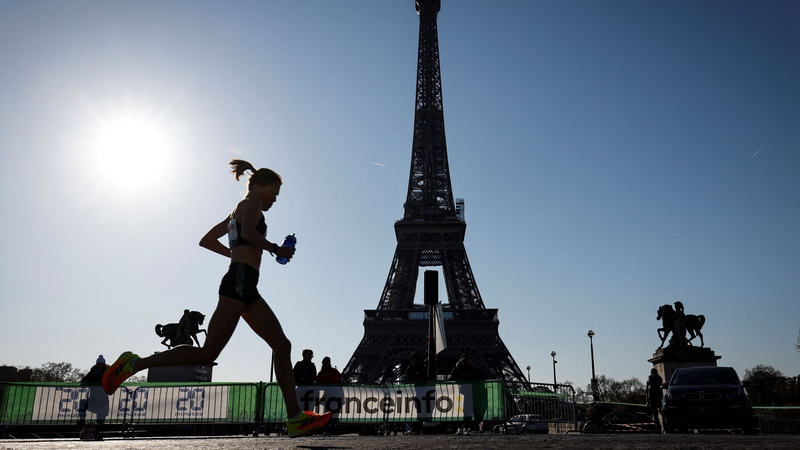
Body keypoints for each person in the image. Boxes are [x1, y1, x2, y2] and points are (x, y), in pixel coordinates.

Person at [101, 159, 331, 437]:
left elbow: (207, 240)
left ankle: (295, 417)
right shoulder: (252, 205)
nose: (274, 199)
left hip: (244, 283)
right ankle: (133, 363)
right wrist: (274, 249)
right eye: (273, 192)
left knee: (282, 345)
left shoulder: (237, 210)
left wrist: (237, 255)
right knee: (209, 353)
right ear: (258, 186)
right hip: (239, 283)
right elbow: (247, 234)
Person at [646, 368, 664, 434]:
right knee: (655, 415)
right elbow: (647, 390)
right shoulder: (650, 379)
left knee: (661, 414)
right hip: (652, 399)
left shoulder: (658, 379)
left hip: (657, 398)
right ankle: (658, 428)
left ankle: (662, 428)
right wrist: (647, 400)